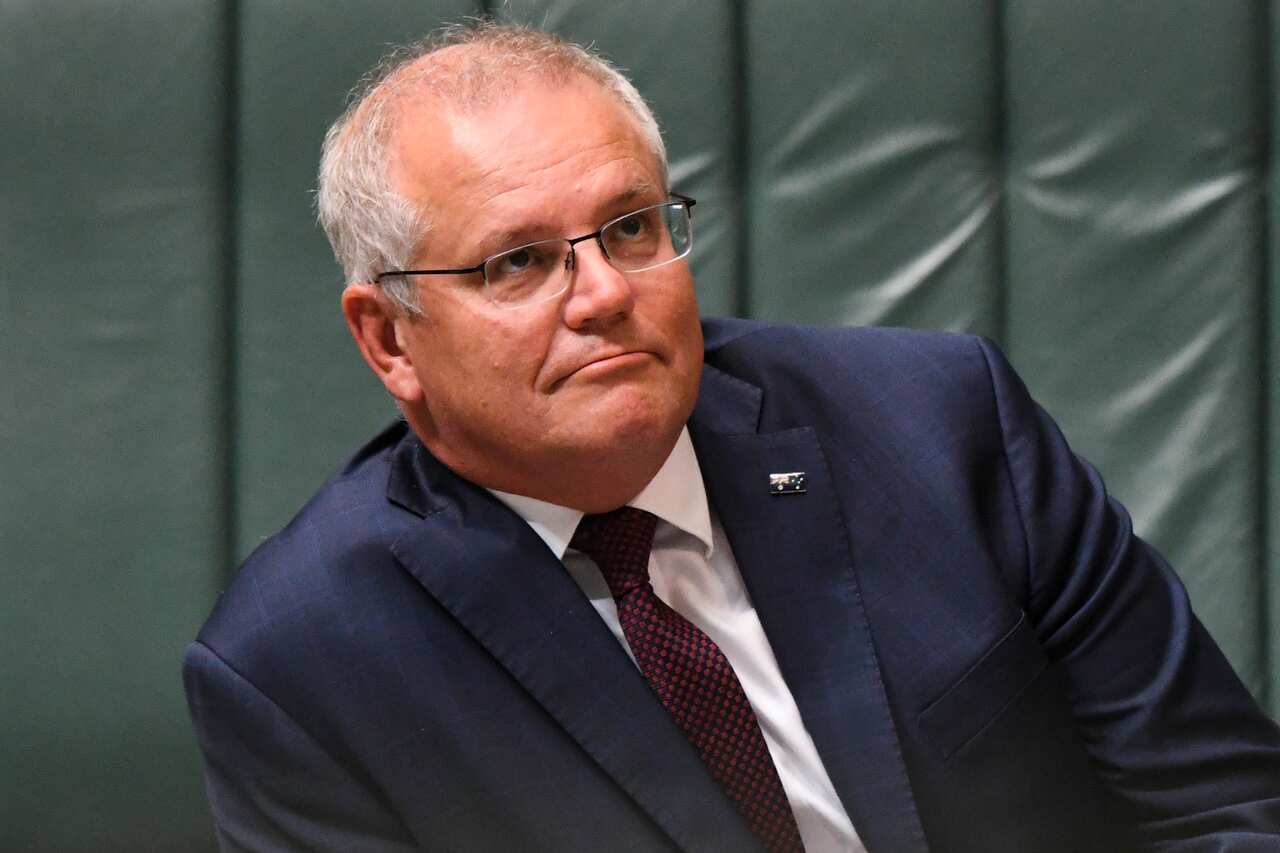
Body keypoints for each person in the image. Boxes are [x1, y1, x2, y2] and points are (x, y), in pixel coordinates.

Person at [184, 22, 1280, 853]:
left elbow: (1225, 804)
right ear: (390, 338)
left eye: (630, 227)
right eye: (518, 262)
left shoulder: (940, 425)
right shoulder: (301, 667)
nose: (604, 293)